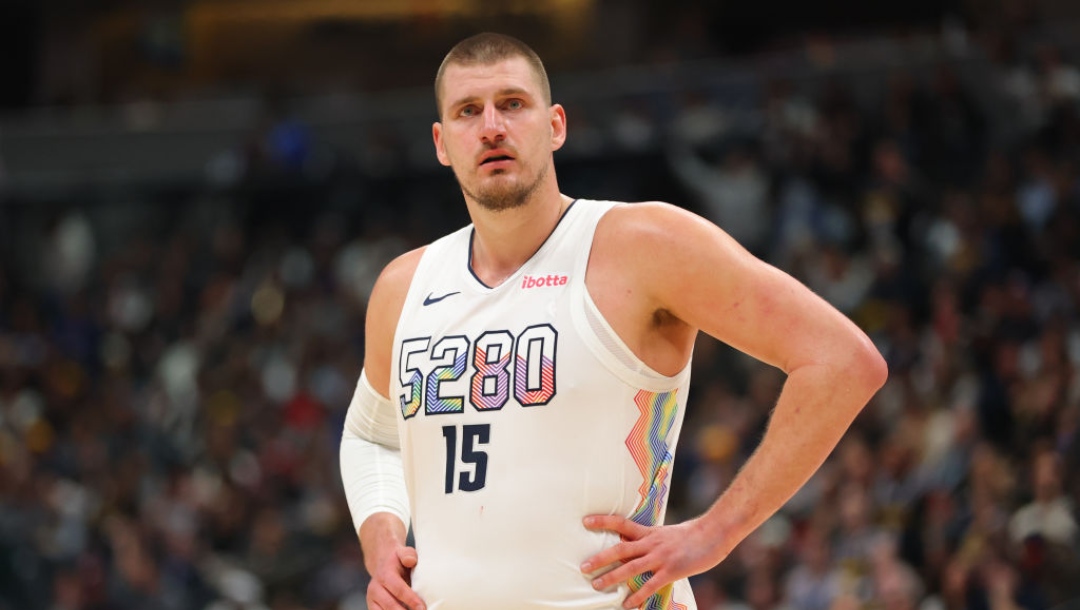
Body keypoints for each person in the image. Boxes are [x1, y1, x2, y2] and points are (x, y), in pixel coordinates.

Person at [339, 32, 887, 610]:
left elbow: (843, 362)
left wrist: (717, 532)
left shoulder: (642, 244)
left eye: (513, 104)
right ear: (442, 142)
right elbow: (370, 434)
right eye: (468, 111)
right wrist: (381, 540)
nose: (492, 127)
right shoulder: (405, 285)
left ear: (555, 125)